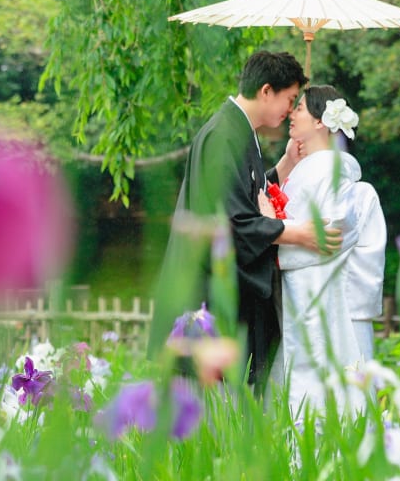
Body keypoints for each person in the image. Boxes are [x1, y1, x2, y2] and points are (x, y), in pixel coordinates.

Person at [149, 50, 340, 392]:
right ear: (266, 90)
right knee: (210, 425)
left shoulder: (236, 130)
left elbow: (241, 194)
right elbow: (230, 222)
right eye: (290, 99)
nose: (290, 110)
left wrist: (282, 169)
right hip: (204, 300)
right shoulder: (226, 136)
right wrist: (297, 233)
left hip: (211, 294)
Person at [262, 84, 386, 418]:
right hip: (301, 296)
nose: (292, 113)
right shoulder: (307, 169)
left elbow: (328, 238)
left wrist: (271, 227)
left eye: (300, 107)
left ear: (321, 122)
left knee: (315, 394)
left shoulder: (332, 174)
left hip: (317, 295)